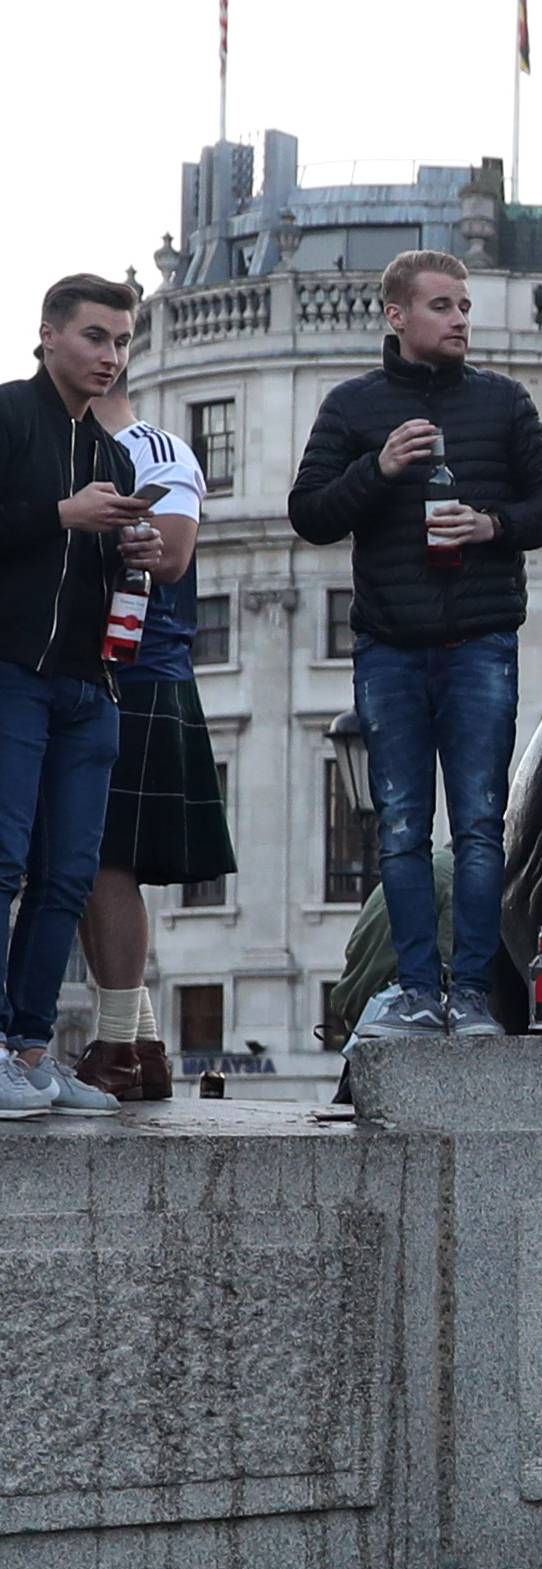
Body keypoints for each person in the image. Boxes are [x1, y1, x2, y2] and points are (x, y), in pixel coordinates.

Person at [288, 252, 542, 1036]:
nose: (459, 320)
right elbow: (308, 513)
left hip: (481, 641)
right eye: (442, 305)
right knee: (405, 826)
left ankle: (472, 993)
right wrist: (377, 469)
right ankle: (417, 991)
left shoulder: (503, 404)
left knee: (480, 823)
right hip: (390, 648)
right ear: (396, 316)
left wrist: (491, 524)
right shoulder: (352, 407)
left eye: (465, 306)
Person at [0, 275, 161, 1120]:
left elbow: (103, 571)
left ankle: (30, 1049)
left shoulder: (115, 452)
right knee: (3, 859)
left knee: (66, 876)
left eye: (123, 341)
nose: (110, 356)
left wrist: (129, 547)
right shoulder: (7, 416)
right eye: (96, 337)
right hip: (13, 673)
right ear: (48, 336)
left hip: (88, 684)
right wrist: (64, 512)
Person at [76, 392, 234, 1102]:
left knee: (108, 859)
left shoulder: (157, 449)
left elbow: (170, 558)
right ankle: (141, 1044)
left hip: (140, 673)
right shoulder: (59, 451)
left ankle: (117, 1049)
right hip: (83, 670)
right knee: (82, 864)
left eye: (112, 341)